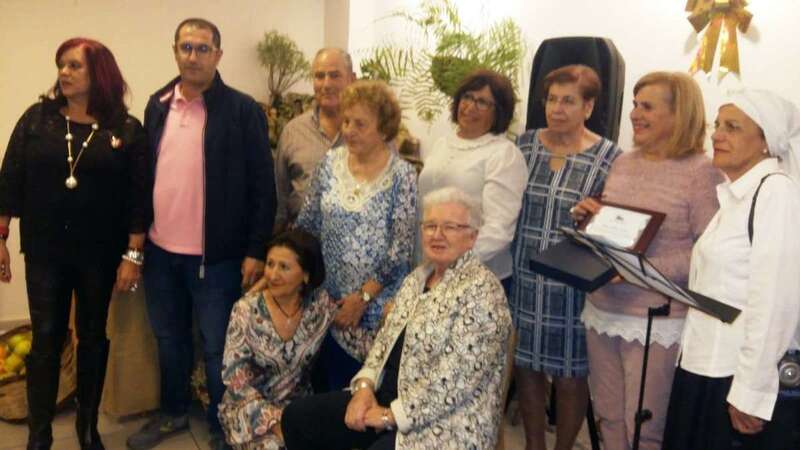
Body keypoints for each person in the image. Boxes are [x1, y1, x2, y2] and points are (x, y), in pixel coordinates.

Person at [126, 18, 275, 450]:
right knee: (169, 340)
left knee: (216, 348)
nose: (193, 56)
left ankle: (222, 423)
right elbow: (141, 180)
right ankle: (173, 413)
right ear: (175, 51)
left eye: (203, 48)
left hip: (220, 257)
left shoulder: (243, 111)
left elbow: (263, 188)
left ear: (218, 56)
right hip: (161, 254)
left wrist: (255, 250)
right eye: (186, 47)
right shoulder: (157, 105)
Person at [281, 187, 513, 450]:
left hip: (447, 423)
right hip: (385, 396)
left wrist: (389, 417)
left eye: (450, 227)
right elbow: (382, 345)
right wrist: (365, 388)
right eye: (430, 226)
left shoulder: (483, 291)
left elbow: (454, 383)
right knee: (299, 417)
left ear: (472, 237)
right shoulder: (417, 279)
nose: (437, 235)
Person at [0, 38, 148, 450]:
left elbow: (140, 198)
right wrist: (1, 236)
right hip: (46, 251)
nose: (63, 72)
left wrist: (132, 256)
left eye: (74, 66)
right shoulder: (38, 119)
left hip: (100, 254)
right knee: (46, 337)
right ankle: (39, 433)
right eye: (61, 65)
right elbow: (10, 179)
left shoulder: (125, 128)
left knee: (92, 335)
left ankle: (87, 427)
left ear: (98, 73)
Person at [572, 71, 724, 450]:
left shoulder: (702, 173)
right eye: (635, 105)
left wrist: (644, 272)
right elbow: (620, 228)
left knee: (644, 428)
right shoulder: (625, 161)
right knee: (607, 417)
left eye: (647, 107)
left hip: (654, 319)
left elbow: (708, 252)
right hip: (602, 307)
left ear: (680, 114)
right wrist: (591, 217)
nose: (635, 114)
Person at [662, 89, 800, 450]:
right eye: (718, 125)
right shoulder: (736, 196)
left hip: (733, 374)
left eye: (733, 127)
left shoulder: (775, 194)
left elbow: (774, 302)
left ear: (765, 142)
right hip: (703, 363)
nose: (717, 135)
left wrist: (750, 392)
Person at [511, 64, 621, 450]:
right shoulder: (523, 145)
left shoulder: (609, 157)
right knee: (526, 365)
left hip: (573, 283)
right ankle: (534, 444)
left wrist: (599, 213)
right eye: (552, 100)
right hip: (524, 273)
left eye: (568, 101)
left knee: (572, 374)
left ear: (588, 107)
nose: (556, 109)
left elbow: (619, 219)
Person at [295, 79, 416, 390]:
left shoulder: (401, 175)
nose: (349, 130)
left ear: (384, 129)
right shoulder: (330, 163)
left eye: (360, 124)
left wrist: (362, 298)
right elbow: (308, 224)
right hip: (327, 300)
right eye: (347, 121)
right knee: (326, 388)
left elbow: (400, 249)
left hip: (376, 307)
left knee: (364, 393)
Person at [218, 230, 371, 449]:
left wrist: (392, 346)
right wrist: (276, 422)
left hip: (299, 408)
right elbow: (235, 378)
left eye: (284, 267)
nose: (272, 275)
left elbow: (358, 341)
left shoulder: (319, 306)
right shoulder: (245, 310)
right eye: (270, 264)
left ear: (306, 275)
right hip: (248, 409)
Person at [417, 68, 526, 291]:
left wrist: (453, 264)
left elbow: (499, 228)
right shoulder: (442, 144)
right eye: (467, 97)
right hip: (430, 270)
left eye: (483, 102)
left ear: (499, 112)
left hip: (476, 278)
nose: (470, 106)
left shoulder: (504, 154)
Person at [273, 48, 356, 233]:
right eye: (319, 76)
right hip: (303, 249)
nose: (326, 84)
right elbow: (280, 201)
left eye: (335, 75)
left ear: (352, 79)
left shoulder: (373, 133)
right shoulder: (293, 132)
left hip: (355, 252)